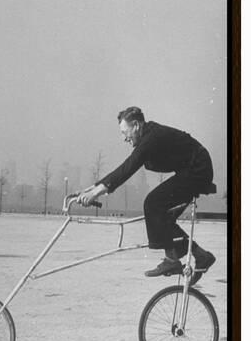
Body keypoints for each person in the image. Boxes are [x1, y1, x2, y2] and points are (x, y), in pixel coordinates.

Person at [77, 107, 216, 281]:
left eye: (124, 132)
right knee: (164, 217)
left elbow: (127, 168)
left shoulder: (151, 138)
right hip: (192, 168)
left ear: (135, 125)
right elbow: (125, 168)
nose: (124, 138)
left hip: (198, 168)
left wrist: (96, 193)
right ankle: (202, 256)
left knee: (153, 203)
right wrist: (91, 189)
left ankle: (172, 260)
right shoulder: (148, 135)